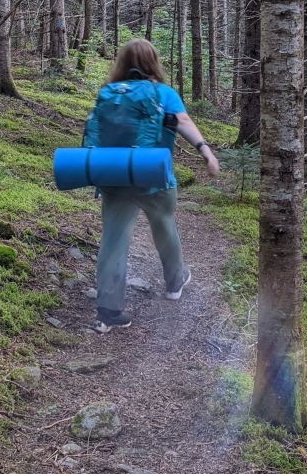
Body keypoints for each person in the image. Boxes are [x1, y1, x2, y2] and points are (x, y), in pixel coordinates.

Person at [89, 39, 219, 333]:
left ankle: (108, 314)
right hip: (153, 177)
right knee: (164, 227)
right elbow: (182, 121)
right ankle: (174, 283)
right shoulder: (163, 93)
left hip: (114, 176)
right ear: (154, 62)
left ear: (122, 63)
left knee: (113, 241)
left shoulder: (110, 94)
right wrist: (206, 151)